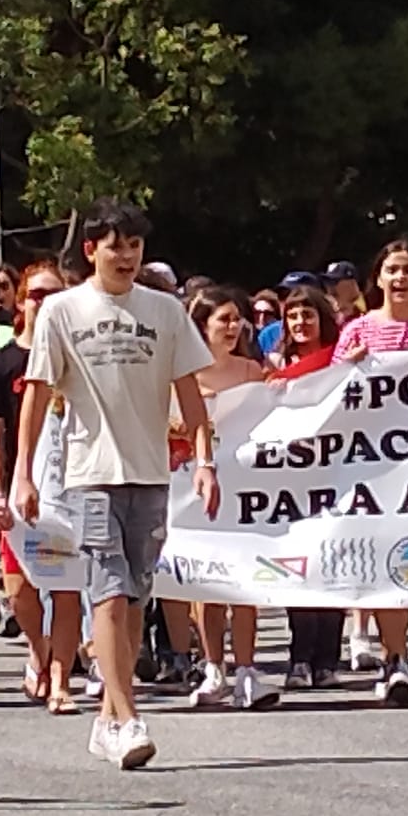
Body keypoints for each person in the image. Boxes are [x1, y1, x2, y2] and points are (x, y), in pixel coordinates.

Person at [10, 198, 220, 770]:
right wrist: (22, 473)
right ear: (91, 250)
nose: (125, 256)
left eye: (133, 246)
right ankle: (127, 717)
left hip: (150, 472)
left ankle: (107, 714)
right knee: (106, 586)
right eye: (114, 246)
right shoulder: (60, 310)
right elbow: (36, 392)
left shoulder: (166, 311)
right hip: (90, 472)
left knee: (134, 597)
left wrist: (205, 461)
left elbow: (190, 392)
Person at [332, 239, 408, 705]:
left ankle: (404, 653)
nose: (400, 278)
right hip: (370, 466)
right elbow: (329, 396)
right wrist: (348, 368)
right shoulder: (357, 331)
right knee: (381, 561)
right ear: (378, 278)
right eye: (392, 270)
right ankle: (393, 655)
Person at [0, 261, 84, 714]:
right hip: (21, 492)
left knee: (66, 588)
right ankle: (39, 651)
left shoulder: (79, 358)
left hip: (72, 489)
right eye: (36, 294)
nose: (44, 302)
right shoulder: (1, 364)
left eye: (54, 293)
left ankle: (60, 680)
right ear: (20, 302)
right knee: (21, 592)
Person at [180, 286, 279, 710]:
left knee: (243, 580)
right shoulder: (181, 373)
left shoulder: (252, 370)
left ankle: (246, 668)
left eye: (237, 318)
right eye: (223, 319)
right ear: (201, 325)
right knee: (206, 580)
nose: (233, 326)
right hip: (191, 484)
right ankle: (213, 665)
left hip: (244, 485)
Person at [266, 285, 346, 688]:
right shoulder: (275, 367)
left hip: (338, 479)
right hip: (293, 483)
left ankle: (328, 659)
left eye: (308, 315)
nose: (300, 323)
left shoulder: (343, 362)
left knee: (332, 566)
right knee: (296, 570)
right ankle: (299, 657)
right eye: (293, 316)